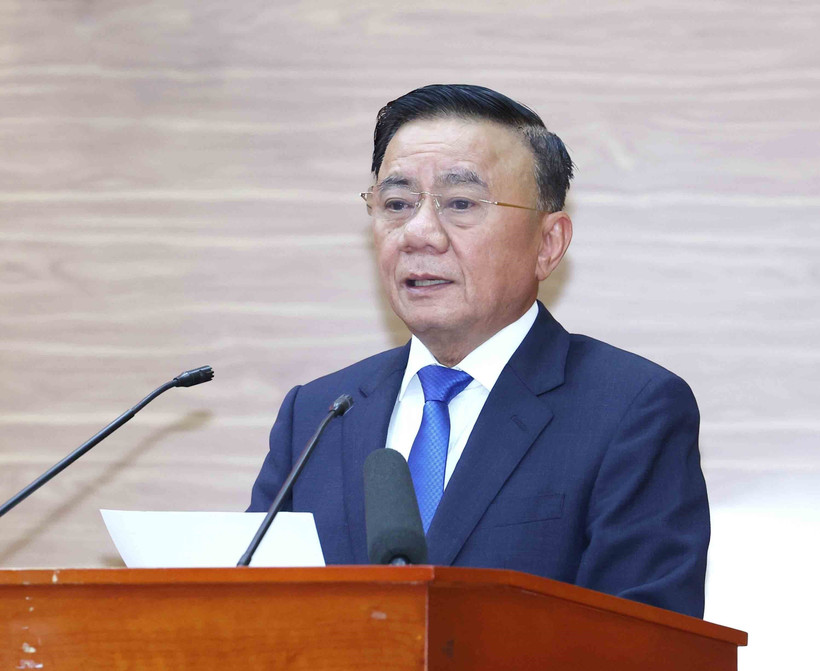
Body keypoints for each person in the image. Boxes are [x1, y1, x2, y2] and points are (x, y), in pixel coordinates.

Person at [249, 84, 709, 618]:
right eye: (396, 204)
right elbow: (250, 612)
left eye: (461, 203)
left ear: (548, 243)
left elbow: (647, 643)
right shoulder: (317, 413)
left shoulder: (632, 409)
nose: (419, 233)